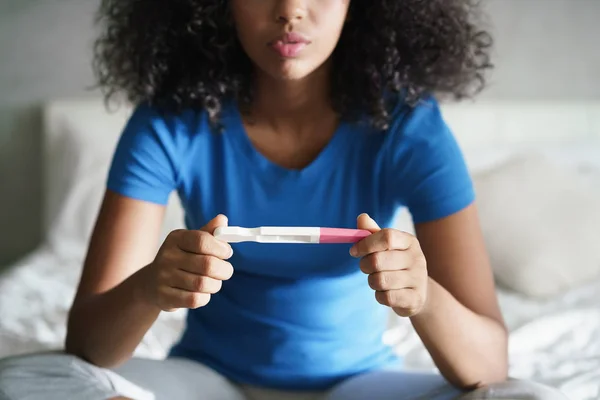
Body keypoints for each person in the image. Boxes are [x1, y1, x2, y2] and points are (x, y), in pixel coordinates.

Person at [0, 0, 568, 399]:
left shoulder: (409, 129)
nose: (291, 9)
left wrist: (423, 296)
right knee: (26, 382)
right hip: (206, 382)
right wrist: (152, 285)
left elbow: (491, 366)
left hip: (359, 386)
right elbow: (88, 347)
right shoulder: (169, 122)